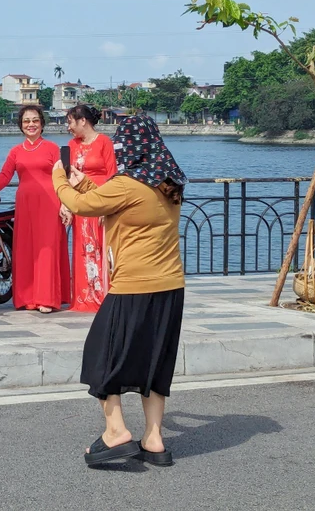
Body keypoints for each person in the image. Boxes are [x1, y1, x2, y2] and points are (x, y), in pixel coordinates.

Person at [52, 114, 187, 467]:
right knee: (154, 362)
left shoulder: (127, 184)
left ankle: (116, 432)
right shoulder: (169, 184)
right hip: (171, 286)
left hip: (133, 286)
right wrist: (85, 184)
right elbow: (116, 204)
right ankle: (154, 439)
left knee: (99, 356)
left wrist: (60, 178)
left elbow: (82, 207)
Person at [0, 106, 71, 312]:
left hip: (50, 203)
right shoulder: (16, 151)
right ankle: (27, 297)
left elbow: (63, 178)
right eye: (27, 121)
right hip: (25, 204)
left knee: (47, 249)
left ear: (42, 123)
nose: (31, 124)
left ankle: (47, 299)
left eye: (35, 120)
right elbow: (5, 174)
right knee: (26, 249)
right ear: (21, 125)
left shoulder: (52, 148)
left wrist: (65, 204)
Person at [65, 104, 117, 313]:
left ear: (82, 121)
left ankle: (103, 294)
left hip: (100, 200)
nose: (68, 127)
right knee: (82, 248)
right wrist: (66, 204)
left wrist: (108, 206)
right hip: (80, 202)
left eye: (70, 122)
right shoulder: (72, 145)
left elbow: (113, 175)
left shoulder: (104, 142)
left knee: (100, 247)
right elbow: (67, 177)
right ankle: (84, 296)